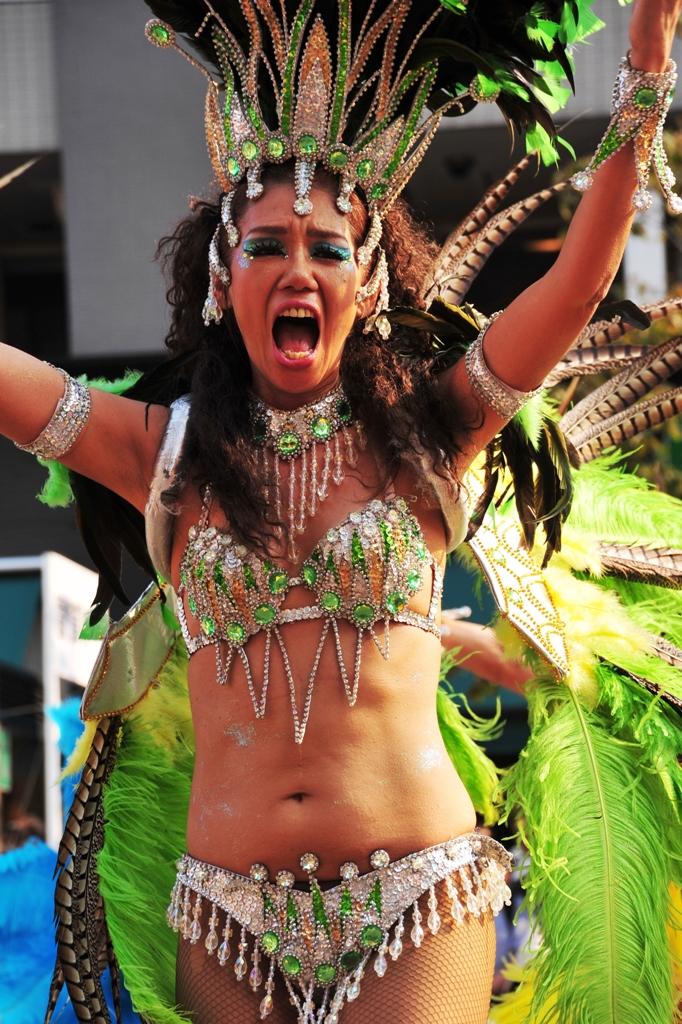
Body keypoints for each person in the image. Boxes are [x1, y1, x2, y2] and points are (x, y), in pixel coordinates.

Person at [2, 2, 681, 1023]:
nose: (298, 270)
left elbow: (578, 283)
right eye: (267, 245)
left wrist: (646, 75)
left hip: (417, 895)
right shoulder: (163, 453)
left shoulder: (436, 430)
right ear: (223, 274)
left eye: (328, 248)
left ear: (368, 283)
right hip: (225, 917)